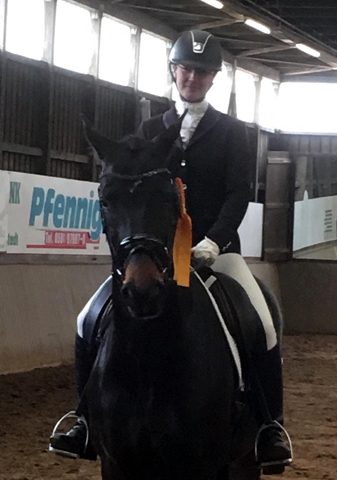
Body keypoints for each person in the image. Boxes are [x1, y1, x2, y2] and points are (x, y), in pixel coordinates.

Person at [50, 29, 291, 473]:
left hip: (215, 252)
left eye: (202, 71)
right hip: (155, 254)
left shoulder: (233, 133)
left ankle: (269, 427)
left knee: (260, 319)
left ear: (214, 77)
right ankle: (84, 421)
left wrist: (213, 241)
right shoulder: (149, 130)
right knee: (87, 318)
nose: (193, 77)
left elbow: (238, 194)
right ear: (174, 71)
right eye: (186, 68)